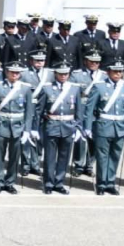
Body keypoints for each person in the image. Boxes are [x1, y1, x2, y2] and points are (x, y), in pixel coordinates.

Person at [82, 60, 124, 195]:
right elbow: (89, 109)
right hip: (103, 126)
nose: (118, 74)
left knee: (115, 156)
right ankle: (101, 184)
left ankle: (110, 183)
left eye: (120, 71)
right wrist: (87, 127)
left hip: (120, 127)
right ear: (108, 72)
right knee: (102, 156)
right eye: (115, 71)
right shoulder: (99, 86)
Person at [35, 62, 81, 195]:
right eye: (60, 73)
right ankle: (48, 183)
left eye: (65, 73)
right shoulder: (46, 88)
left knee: (64, 156)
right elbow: (40, 109)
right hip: (52, 126)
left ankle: (59, 182)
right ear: (55, 74)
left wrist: (78, 127)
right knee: (49, 156)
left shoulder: (75, 88)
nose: (63, 76)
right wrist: (39, 124)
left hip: (68, 127)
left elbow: (79, 110)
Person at [0, 62, 31, 194]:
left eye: (17, 72)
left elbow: (29, 112)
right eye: (12, 72)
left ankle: (10, 182)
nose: (14, 74)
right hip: (1, 125)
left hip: (18, 127)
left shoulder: (25, 88)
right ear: (7, 72)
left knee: (14, 157)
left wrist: (27, 130)